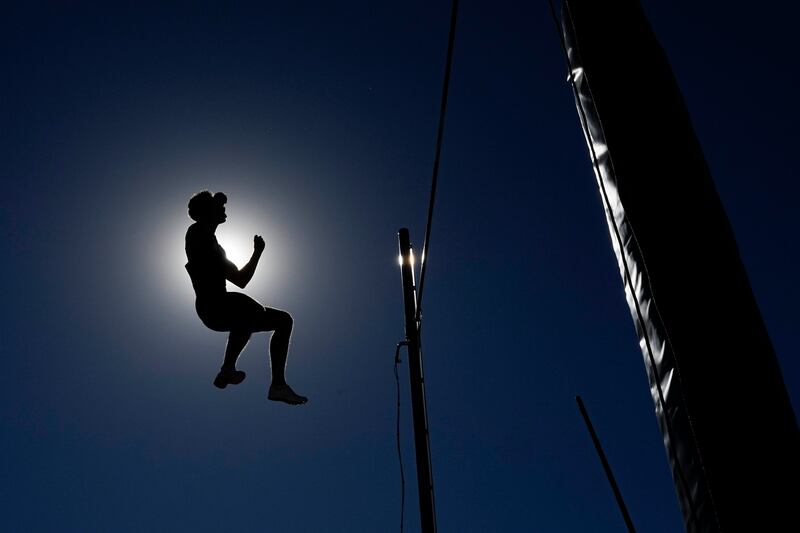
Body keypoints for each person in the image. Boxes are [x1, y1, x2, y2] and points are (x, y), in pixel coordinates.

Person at [184, 190, 307, 405]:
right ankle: (228, 368)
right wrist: (216, 201)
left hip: (223, 306)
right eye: (218, 208)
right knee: (247, 308)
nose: (224, 210)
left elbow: (241, 279)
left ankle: (277, 385)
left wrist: (257, 253)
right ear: (206, 212)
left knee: (283, 320)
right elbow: (204, 223)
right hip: (211, 306)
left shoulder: (218, 249)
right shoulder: (196, 233)